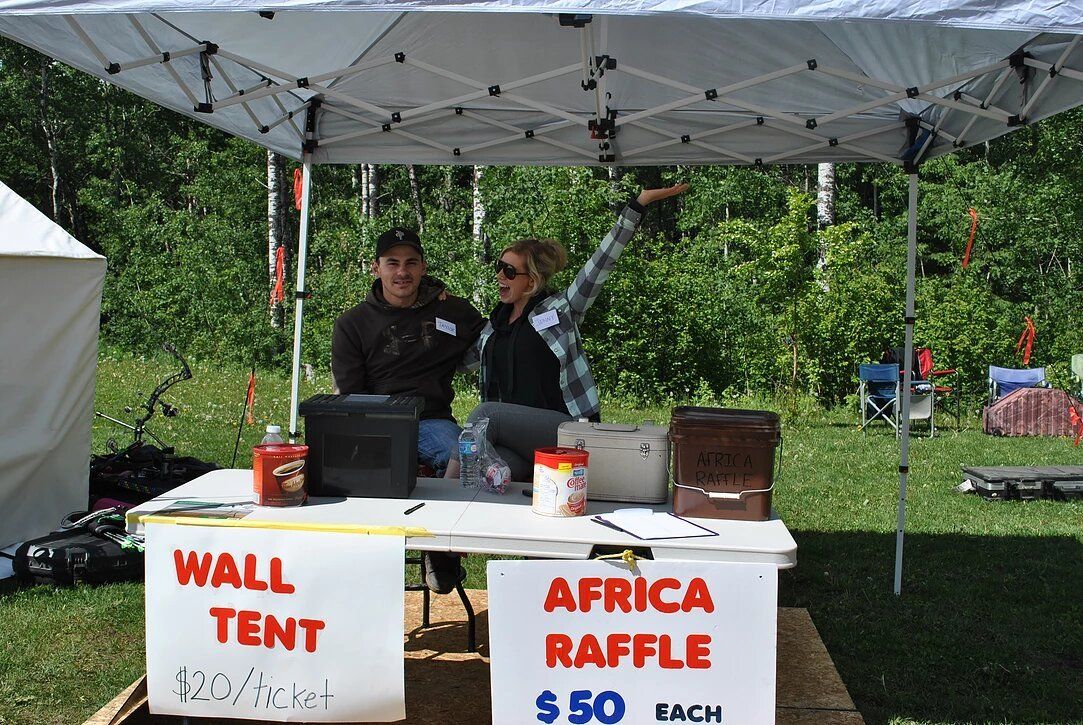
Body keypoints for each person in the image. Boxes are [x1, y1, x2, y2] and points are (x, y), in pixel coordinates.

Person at [446, 183, 690, 483]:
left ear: (532, 280)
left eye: (509, 271)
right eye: (499, 268)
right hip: (518, 440)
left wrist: (637, 205)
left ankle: (446, 493)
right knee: (498, 474)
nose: (499, 276)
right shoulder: (493, 327)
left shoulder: (560, 309)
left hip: (565, 430)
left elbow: (600, 264)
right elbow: (453, 361)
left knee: (486, 414)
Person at [332, 227, 485, 477]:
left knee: (469, 456)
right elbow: (349, 395)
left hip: (431, 420)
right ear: (376, 268)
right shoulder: (352, 324)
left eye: (410, 263)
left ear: (423, 267)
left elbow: (498, 335)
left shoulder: (451, 310)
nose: (402, 272)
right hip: (375, 423)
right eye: (392, 264)